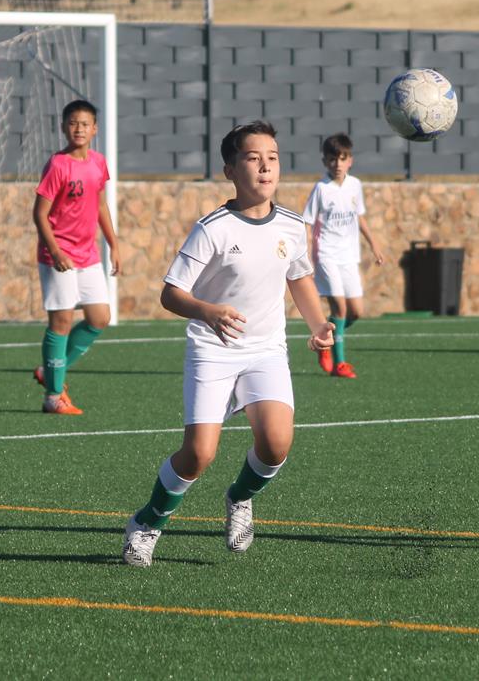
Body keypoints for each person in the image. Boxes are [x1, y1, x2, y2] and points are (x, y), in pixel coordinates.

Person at [121, 120, 334, 567]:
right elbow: (171, 293)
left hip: (265, 350)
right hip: (212, 349)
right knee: (198, 454)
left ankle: (240, 498)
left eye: (272, 158)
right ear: (230, 171)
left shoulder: (292, 225)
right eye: (253, 158)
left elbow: (299, 277)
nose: (265, 167)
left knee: (276, 443)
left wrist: (318, 325)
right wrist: (207, 311)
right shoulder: (212, 228)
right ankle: (147, 522)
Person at [31, 100, 121, 415]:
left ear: (94, 129)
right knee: (62, 322)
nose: (78, 128)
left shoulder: (98, 162)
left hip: (88, 255)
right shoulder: (58, 165)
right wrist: (55, 251)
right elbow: (39, 214)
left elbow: (100, 204)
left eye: (84, 123)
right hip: (58, 255)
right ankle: (53, 396)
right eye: (72, 123)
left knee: (99, 318)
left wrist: (113, 243)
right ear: (63, 127)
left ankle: (49, 371)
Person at [301, 133, 385, 379]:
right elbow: (307, 222)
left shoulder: (355, 185)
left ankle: (325, 339)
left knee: (355, 312)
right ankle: (340, 364)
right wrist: (306, 255)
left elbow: (359, 217)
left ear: (350, 160)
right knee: (339, 309)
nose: (337, 164)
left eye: (342, 158)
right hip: (326, 254)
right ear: (325, 161)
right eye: (332, 159)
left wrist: (374, 245)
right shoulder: (321, 189)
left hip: (349, 257)